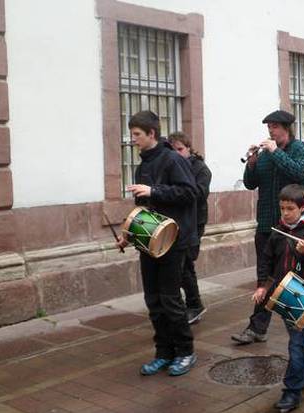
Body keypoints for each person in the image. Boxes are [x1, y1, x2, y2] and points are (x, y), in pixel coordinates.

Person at [116, 110, 198, 376]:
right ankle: (163, 353)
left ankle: (185, 352)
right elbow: (142, 208)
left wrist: (155, 191)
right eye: (132, 135)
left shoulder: (173, 159)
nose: (133, 140)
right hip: (147, 239)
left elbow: (190, 193)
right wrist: (128, 233)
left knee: (171, 299)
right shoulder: (143, 165)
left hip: (174, 240)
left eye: (137, 135)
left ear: (152, 133)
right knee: (153, 300)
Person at [232, 110, 304, 344]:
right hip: (267, 223)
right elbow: (250, 184)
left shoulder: (299, 148)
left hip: (292, 226)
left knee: (297, 273)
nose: (271, 131)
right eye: (269, 127)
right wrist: (252, 165)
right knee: (265, 276)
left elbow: (300, 173)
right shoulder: (266, 154)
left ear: (286, 128)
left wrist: (275, 152)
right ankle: (257, 327)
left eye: (275, 127)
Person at [251, 184, 304, 412]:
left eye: (290, 209)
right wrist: (261, 286)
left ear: (302, 207)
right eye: (282, 208)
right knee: (300, 341)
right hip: (283, 294)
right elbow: (266, 260)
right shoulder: (278, 231)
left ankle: (291, 392)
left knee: (296, 343)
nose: (285, 213)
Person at [168, 132, 212, 324]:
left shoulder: (201, 169)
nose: (177, 154)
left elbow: (198, 194)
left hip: (194, 223)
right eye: (173, 150)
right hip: (174, 222)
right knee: (179, 265)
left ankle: (194, 305)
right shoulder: (170, 166)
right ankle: (186, 305)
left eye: (180, 149)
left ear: (188, 148)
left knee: (185, 265)